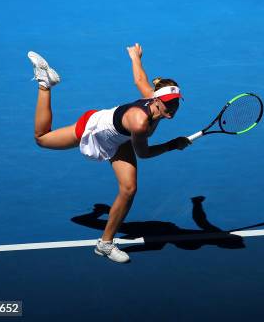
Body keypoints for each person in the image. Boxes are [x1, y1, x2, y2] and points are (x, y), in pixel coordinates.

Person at [27, 43, 191, 263]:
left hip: (120, 138)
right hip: (95, 129)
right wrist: (172, 145)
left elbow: (140, 80)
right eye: (168, 104)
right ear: (156, 100)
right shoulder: (140, 122)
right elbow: (143, 153)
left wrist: (135, 58)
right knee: (42, 138)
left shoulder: (153, 100)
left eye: (175, 104)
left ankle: (105, 244)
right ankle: (45, 84)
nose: (172, 109)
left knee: (129, 188)